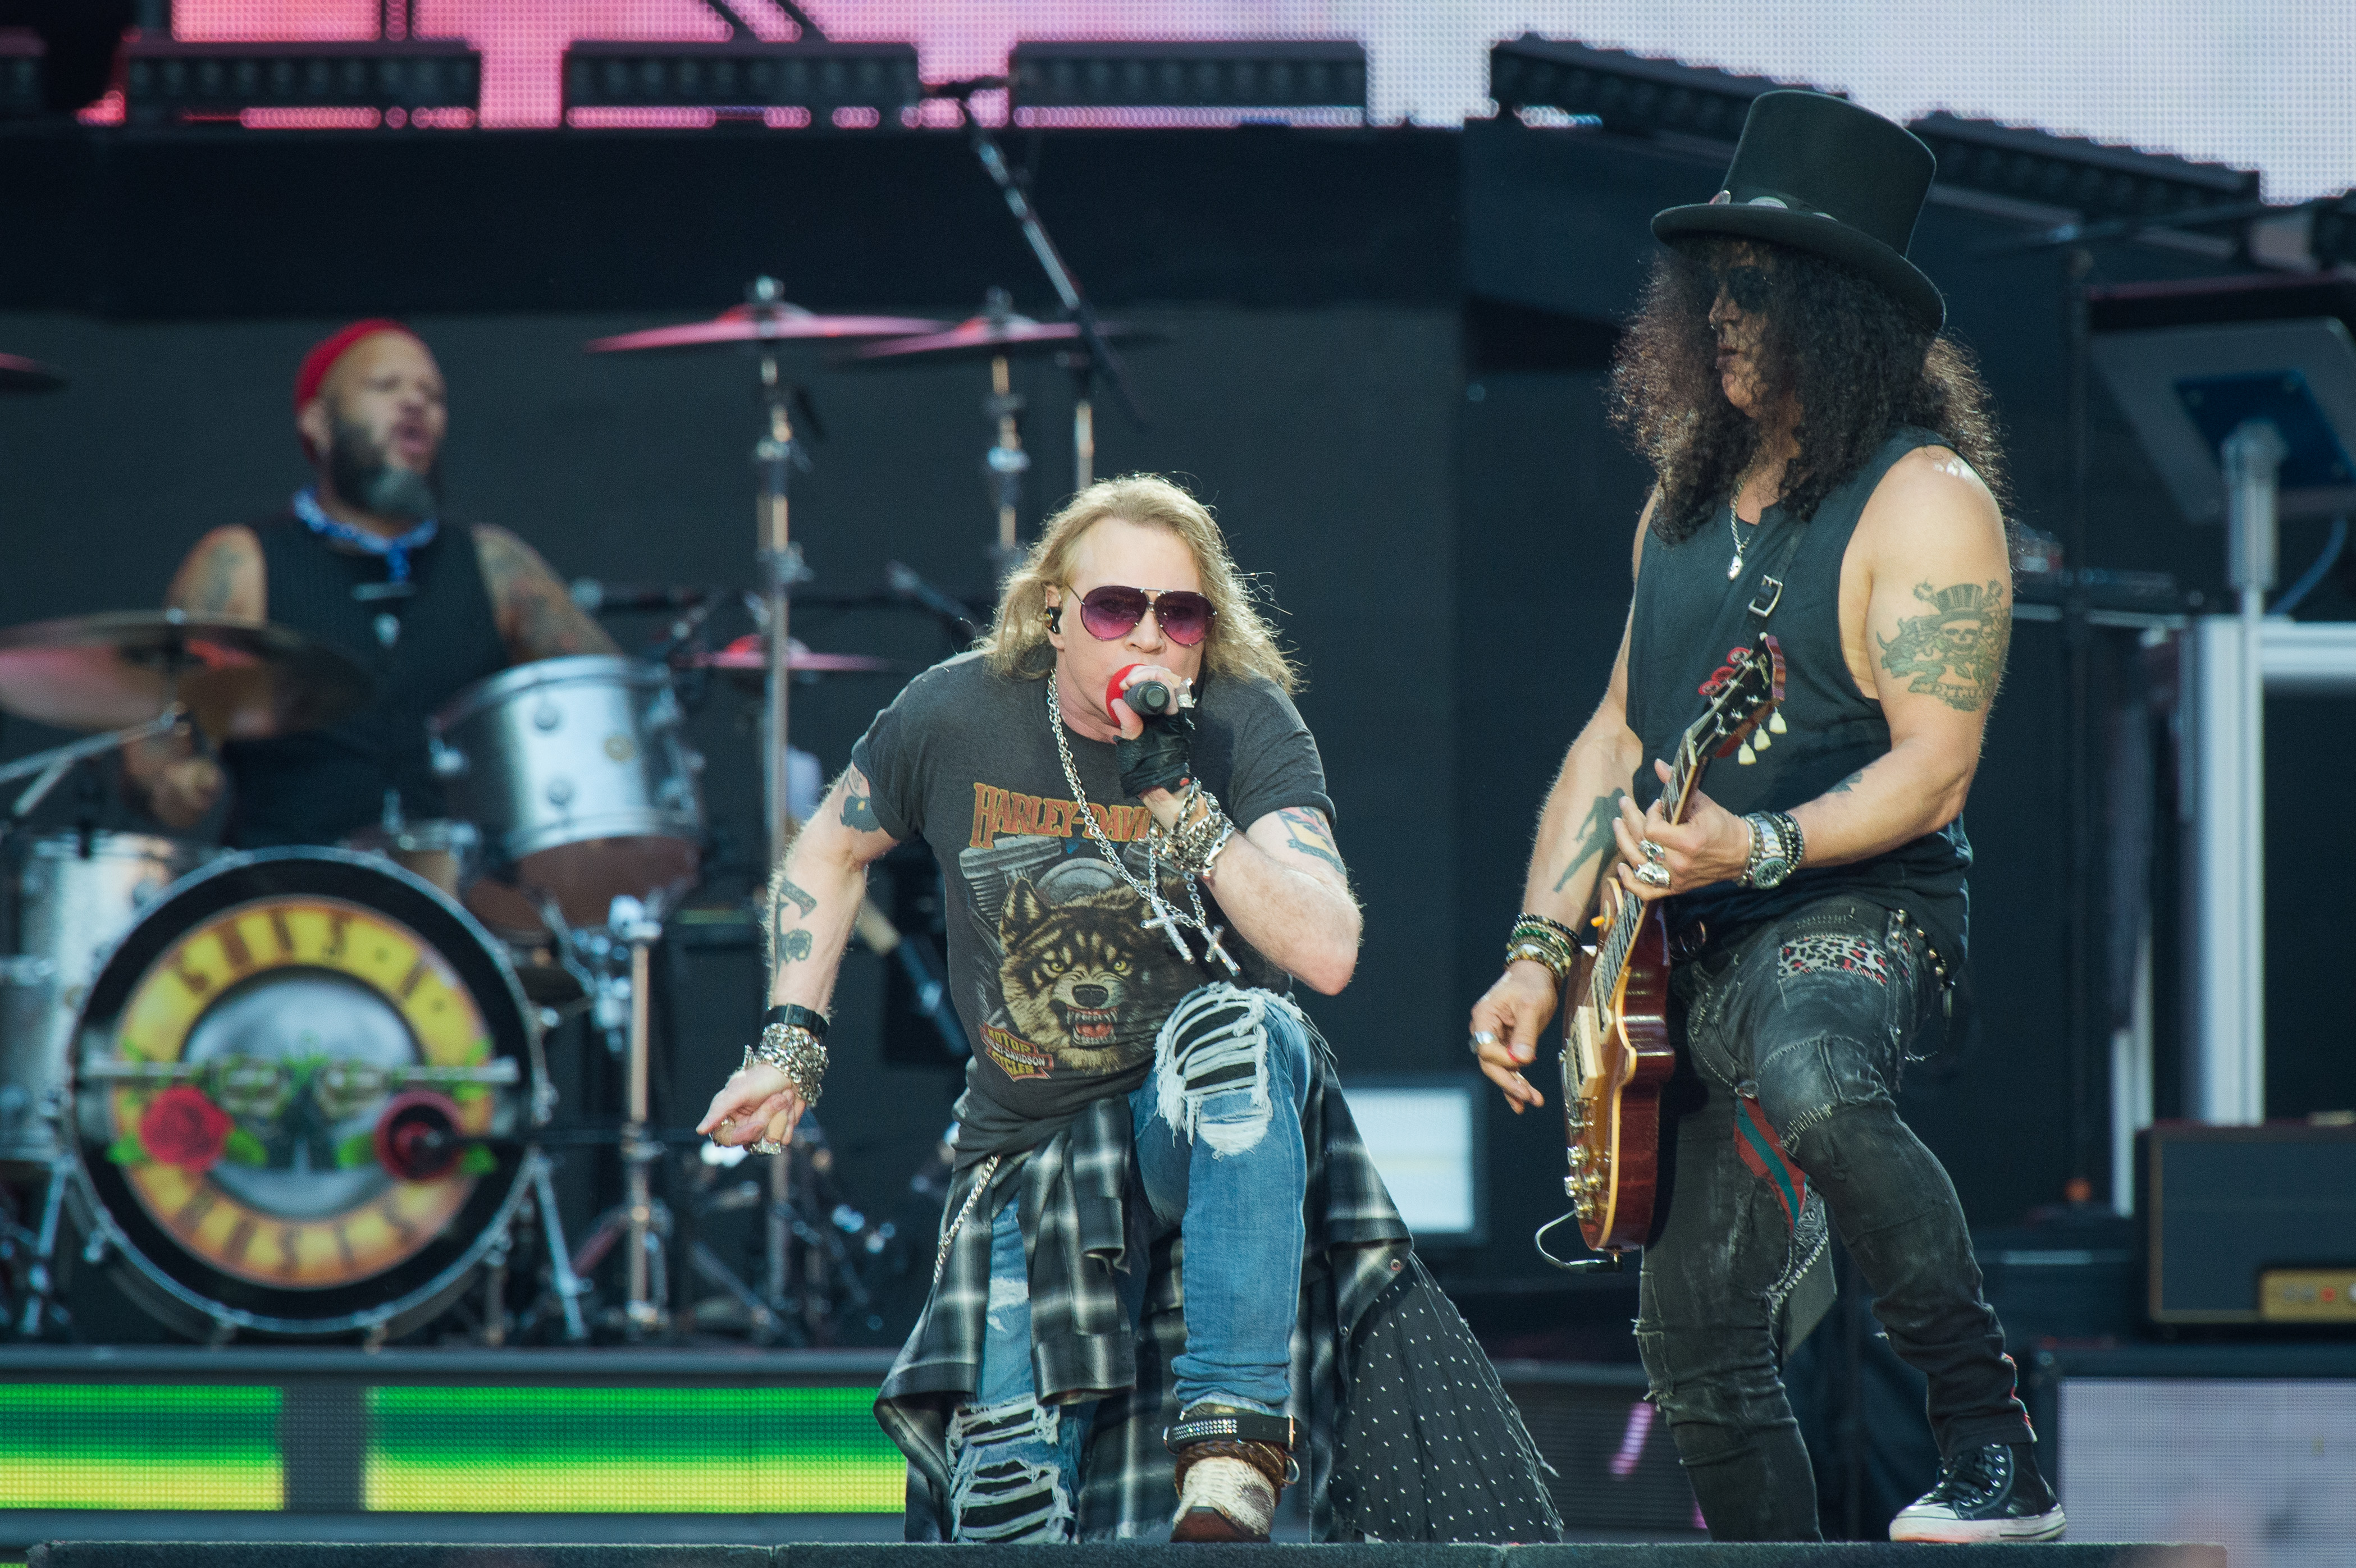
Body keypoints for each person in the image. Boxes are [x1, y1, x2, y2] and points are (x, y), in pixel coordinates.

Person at [700, 475, 1559, 1543]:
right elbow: (831, 845)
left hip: (1185, 1135)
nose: (1147, 636)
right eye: (1115, 609)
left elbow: (1327, 948)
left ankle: (1234, 1444)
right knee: (1008, 1511)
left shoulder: (1244, 727)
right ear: (1054, 614)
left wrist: (1181, 803)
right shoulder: (955, 709)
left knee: (1249, 1033)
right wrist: (792, 1043)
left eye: (1179, 614)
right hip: (1030, 1158)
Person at [1465, 93, 2064, 1545]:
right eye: (1708, 288)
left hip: (1856, 917)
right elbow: (1616, 732)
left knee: (1813, 1075)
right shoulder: (1676, 505)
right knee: (1691, 1341)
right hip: (1679, 951)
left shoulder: (1922, 502)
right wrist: (1540, 949)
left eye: (1757, 291)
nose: (1720, 316)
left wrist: (1762, 845)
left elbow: (1935, 767)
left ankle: (1992, 1447)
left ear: (1841, 315)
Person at [125, 319, 613, 843]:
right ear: (317, 421)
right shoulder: (242, 563)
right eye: (386, 386)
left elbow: (609, 709)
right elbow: (152, 746)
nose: (415, 402)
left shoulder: (498, 566)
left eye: (433, 395)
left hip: (457, 907)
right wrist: (172, 784)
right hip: (288, 902)